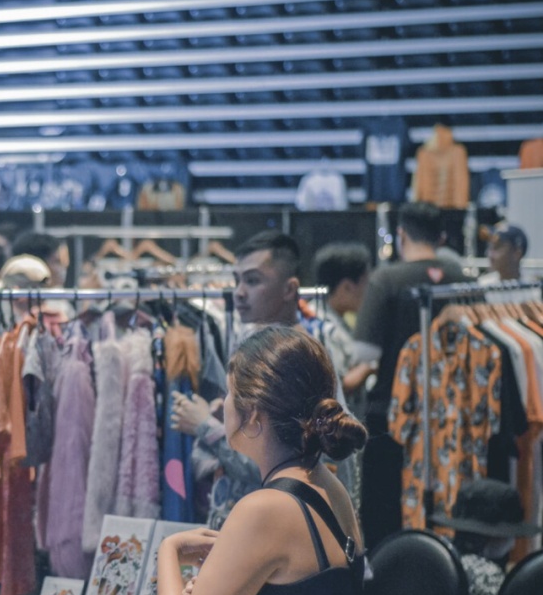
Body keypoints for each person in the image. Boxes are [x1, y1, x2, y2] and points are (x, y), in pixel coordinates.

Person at [158, 326, 368, 595]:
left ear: (253, 416)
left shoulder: (265, 510)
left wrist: (168, 551)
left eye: (229, 394)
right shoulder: (329, 486)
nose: (221, 404)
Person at [173, 231, 357, 528]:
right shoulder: (262, 347)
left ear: (289, 289)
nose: (239, 292)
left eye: (253, 280)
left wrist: (205, 426)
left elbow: (286, 463)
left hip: (274, 527)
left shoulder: (295, 358)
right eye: (237, 280)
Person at [352, 201, 473, 546]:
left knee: (385, 520)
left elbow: (365, 354)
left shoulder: (386, 279)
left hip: (393, 416)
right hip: (451, 416)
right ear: (442, 238)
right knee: (445, 513)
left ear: (401, 234)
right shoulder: (464, 281)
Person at [431, 478, 541, 595]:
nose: (512, 543)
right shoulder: (488, 577)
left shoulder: (437, 560)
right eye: (508, 535)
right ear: (489, 535)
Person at [313, 243, 372, 404]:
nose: (368, 293)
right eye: (366, 284)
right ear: (347, 287)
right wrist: (370, 366)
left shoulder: (333, 319)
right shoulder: (324, 327)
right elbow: (337, 386)